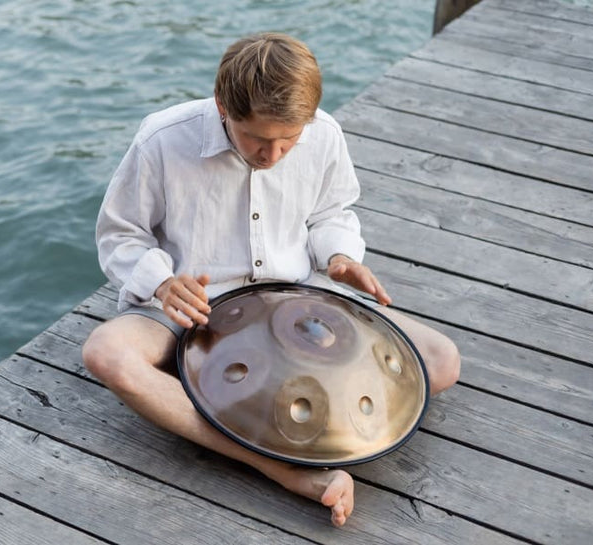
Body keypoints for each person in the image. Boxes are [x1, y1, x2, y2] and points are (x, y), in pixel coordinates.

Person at [82, 32, 460, 527]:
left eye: (289, 140)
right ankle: (276, 465)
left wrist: (341, 256)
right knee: (106, 354)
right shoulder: (162, 139)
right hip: (192, 306)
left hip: (294, 298)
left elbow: (332, 212)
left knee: (440, 360)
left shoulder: (323, 133)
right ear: (223, 106)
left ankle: (228, 402)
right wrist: (160, 282)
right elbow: (120, 234)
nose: (273, 155)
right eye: (257, 139)